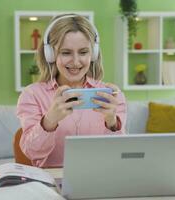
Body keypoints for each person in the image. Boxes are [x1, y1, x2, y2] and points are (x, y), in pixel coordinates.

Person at [16, 14, 126, 168]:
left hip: (99, 179)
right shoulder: (32, 95)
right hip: (51, 182)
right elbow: (31, 152)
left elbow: (120, 155)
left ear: (93, 53)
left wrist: (112, 123)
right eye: (66, 52)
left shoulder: (111, 95)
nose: (75, 62)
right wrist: (49, 120)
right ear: (51, 54)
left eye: (83, 52)